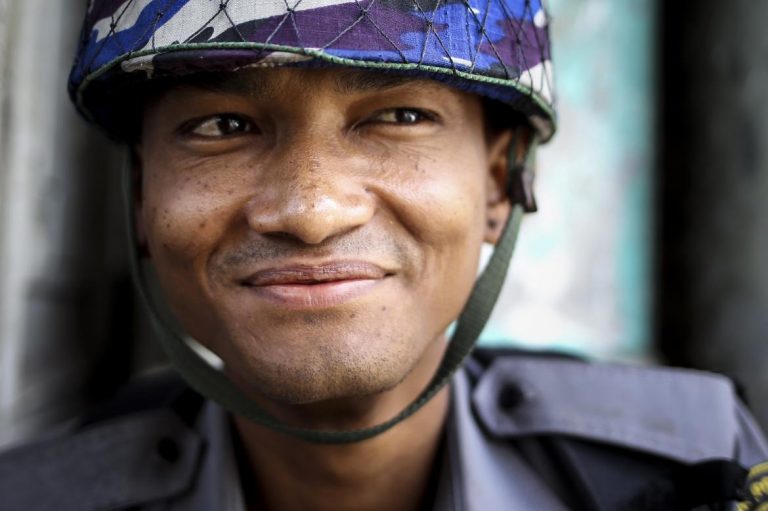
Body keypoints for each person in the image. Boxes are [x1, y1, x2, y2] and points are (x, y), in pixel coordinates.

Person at [1, 1, 767, 510]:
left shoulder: (695, 468)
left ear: (500, 182)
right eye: (222, 126)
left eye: (399, 115)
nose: (309, 210)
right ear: (142, 193)